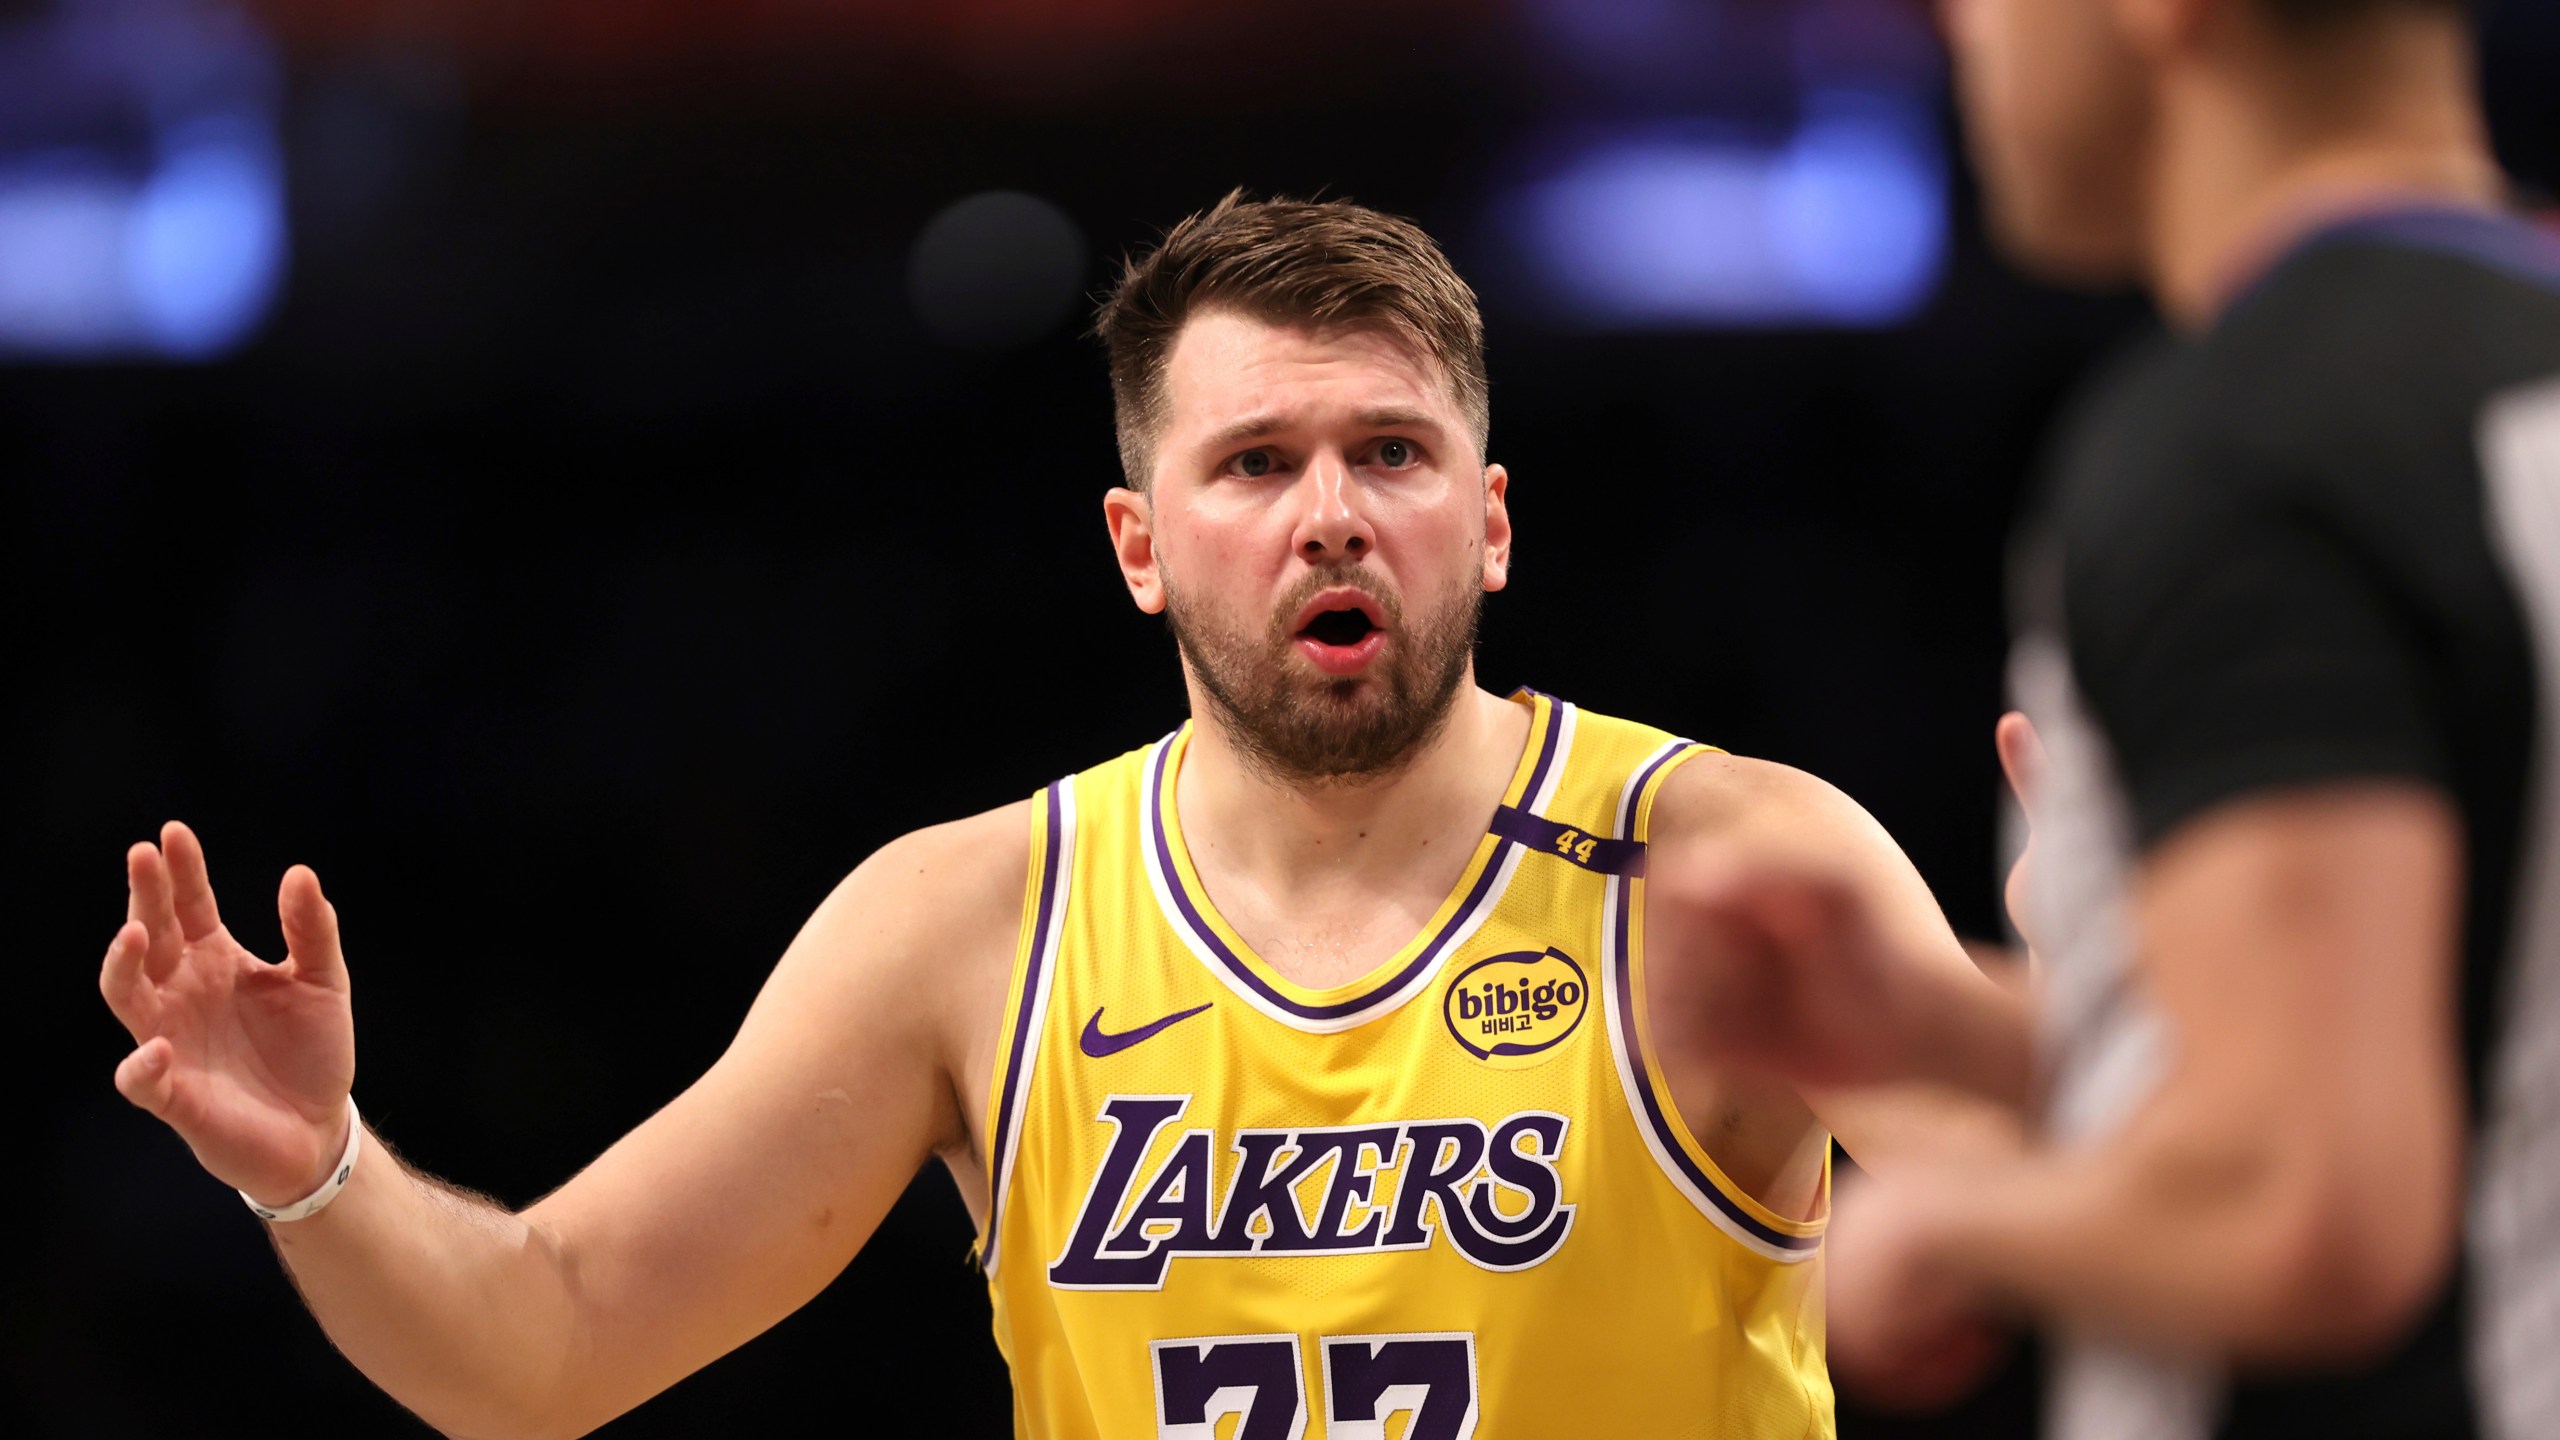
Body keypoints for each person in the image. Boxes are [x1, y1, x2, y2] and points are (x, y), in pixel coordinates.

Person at [96, 192, 2017, 1439]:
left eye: (1392, 455)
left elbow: (2099, 1214)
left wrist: (2116, 984)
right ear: (1142, 548)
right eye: (1256, 462)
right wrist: (317, 1172)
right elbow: (544, 1344)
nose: (1331, 511)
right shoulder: (972, 924)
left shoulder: (1732, 865)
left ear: (1491, 521)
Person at [1671, 1, 2560, 1436]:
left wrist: (1955, 1227)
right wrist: (1944, 1033)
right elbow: (2467, 1052)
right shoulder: (2505, 384)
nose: (1959, 34)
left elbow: (2315, 1201)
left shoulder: (2243, 448)